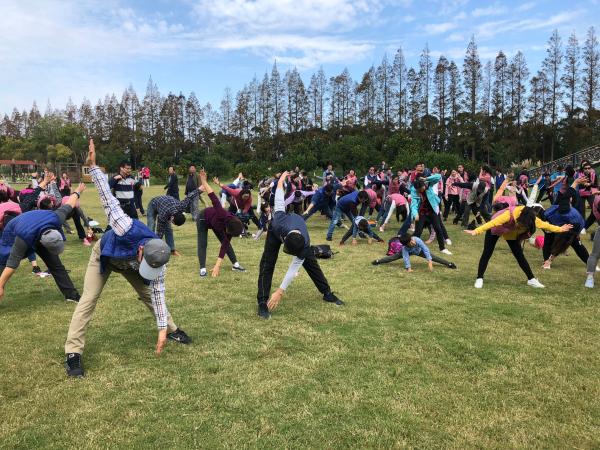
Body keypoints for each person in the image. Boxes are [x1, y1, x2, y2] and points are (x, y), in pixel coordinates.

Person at [64, 139, 191, 378]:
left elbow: (158, 294)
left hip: (128, 264)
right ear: (141, 252)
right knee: (89, 299)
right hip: (105, 255)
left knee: (148, 294)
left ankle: (173, 330)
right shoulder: (125, 227)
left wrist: (162, 329)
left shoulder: (159, 259)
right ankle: (73, 352)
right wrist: (93, 166)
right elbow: (107, 198)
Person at [256, 172, 344, 319]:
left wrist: (280, 291)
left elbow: (293, 269)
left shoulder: (304, 243)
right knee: (267, 263)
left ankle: (327, 293)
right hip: (275, 233)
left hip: (296, 238)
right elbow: (279, 196)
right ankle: (262, 302)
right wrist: (281, 180)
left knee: (311, 263)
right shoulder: (278, 220)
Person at [0, 177, 85, 303]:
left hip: (36, 229)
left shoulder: (56, 217)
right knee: (3, 262)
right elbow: (11, 265)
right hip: (13, 232)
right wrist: (1, 285)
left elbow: (70, 204)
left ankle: (71, 295)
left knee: (55, 264)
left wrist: (78, 191)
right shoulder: (23, 238)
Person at [464, 205, 572, 289]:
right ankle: (479, 278)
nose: (521, 227)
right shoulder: (508, 215)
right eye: (521, 225)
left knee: (519, 255)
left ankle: (531, 279)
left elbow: (545, 225)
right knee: (487, 252)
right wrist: (476, 231)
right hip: (496, 228)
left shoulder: (531, 217)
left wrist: (560, 229)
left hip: (510, 231)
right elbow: (492, 223)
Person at [196, 170, 246, 278]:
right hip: (203, 218)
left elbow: (224, 246)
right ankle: (202, 269)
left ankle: (236, 265)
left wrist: (217, 266)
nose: (228, 234)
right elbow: (212, 196)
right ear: (227, 227)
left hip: (216, 225)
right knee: (202, 242)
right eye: (229, 233)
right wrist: (204, 181)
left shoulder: (233, 227)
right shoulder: (222, 214)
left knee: (226, 242)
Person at [147, 186, 202, 257]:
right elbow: (160, 231)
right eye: (173, 222)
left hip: (165, 204)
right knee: (151, 226)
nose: (172, 223)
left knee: (169, 229)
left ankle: (172, 250)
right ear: (172, 217)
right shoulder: (164, 214)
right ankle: (149, 248)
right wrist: (157, 245)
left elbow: (190, 197)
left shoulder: (181, 206)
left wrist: (199, 189)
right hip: (153, 204)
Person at [410, 174, 452, 255]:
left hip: (432, 211)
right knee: (418, 231)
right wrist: (415, 214)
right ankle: (411, 247)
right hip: (421, 213)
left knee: (438, 229)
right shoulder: (414, 191)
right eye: (419, 190)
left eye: (421, 188)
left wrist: (426, 178)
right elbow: (413, 204)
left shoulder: (428, 183)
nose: (421, 190)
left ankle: (442, 248)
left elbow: (438, 177)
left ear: (423, 184)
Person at [372, 234, 456, 271]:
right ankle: (378, 261)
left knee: (434, 257)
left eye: (412, 240)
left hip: (418, 251)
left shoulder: (417, 240)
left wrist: (429, 260)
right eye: (411, 242)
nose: (413, 242)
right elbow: (406, 258)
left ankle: (449, 264)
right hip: (409, 251)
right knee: (393, 257)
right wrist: (408, 268)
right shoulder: (405, 249)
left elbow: (425, 249)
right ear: (406, 244)